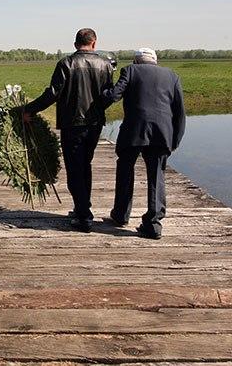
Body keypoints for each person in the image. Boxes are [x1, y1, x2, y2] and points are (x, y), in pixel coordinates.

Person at [21, 28, 114, 232]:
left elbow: (53, 93)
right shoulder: (106, 65)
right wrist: (97, 111)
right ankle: (82, 208)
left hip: (73, 124)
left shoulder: (66, 63)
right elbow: (108, 95)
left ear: (75, 44)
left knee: (75, 169)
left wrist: (29, 109)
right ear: (94, 43)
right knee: (85, 165)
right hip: (95, 124)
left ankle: (83, 217)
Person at [103, 48, 186, 239]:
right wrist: (176, 138)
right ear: (155, 61)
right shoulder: (172, 76)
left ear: (136, 61)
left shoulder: (130, 70)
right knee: (157, 176)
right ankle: (153, 224)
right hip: (162, 133)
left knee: (125, 170)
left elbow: (114, 96)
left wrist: (105, 85)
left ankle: (121, 215)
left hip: (133, 131)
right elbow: (179, 111)